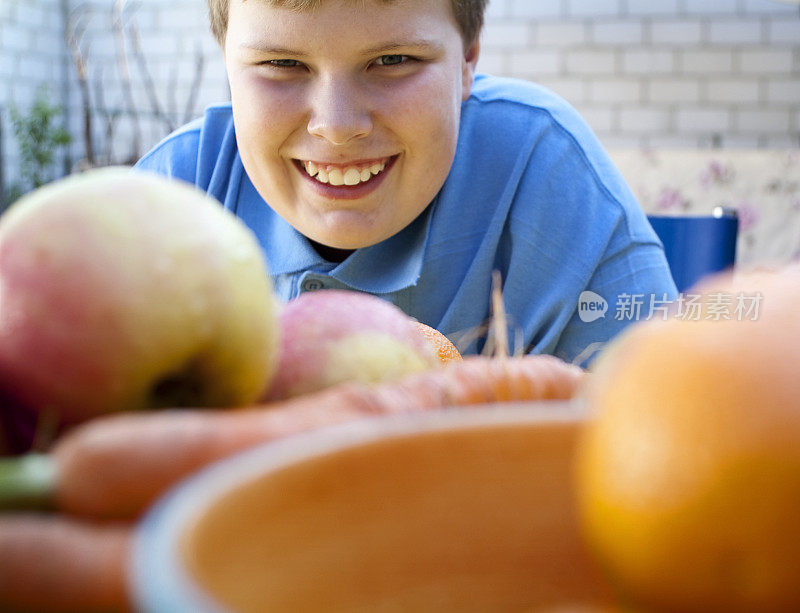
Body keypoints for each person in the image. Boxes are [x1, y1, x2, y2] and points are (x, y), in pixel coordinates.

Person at [135, 0, 677, 365]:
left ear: (467, 60)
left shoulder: (545, 171)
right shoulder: (168, 204)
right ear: (227, 63)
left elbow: (663, 427)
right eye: (281, 63)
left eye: (393, 60)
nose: (338, 125)